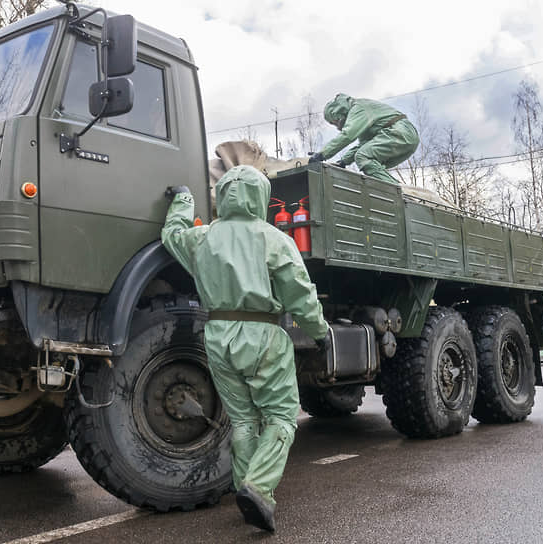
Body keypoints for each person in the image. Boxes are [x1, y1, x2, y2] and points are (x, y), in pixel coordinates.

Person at [161, 165, 329, 532]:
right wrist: (321, 331)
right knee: (282, 417)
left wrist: (183, 200)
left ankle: (247, 492)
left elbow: (172, 234)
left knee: (242, 420)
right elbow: (300, 295)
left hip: (217, 334)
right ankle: (258, 487)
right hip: (263, 335)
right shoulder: (274, 239)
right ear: (261, 197)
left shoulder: (200, 239)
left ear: (221, 196)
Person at [309, 93, 419, 184]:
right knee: (371, 162)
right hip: (403, 136)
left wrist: (322, 154)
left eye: (335, 122)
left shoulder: (358, 108)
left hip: (399, 132)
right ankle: (394, 189)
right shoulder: (361, 115)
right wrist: (343, 161)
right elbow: (364, 144)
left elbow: (347, 135)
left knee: (363, 156)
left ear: (337, 113)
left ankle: (396, 191)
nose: (337, 127)